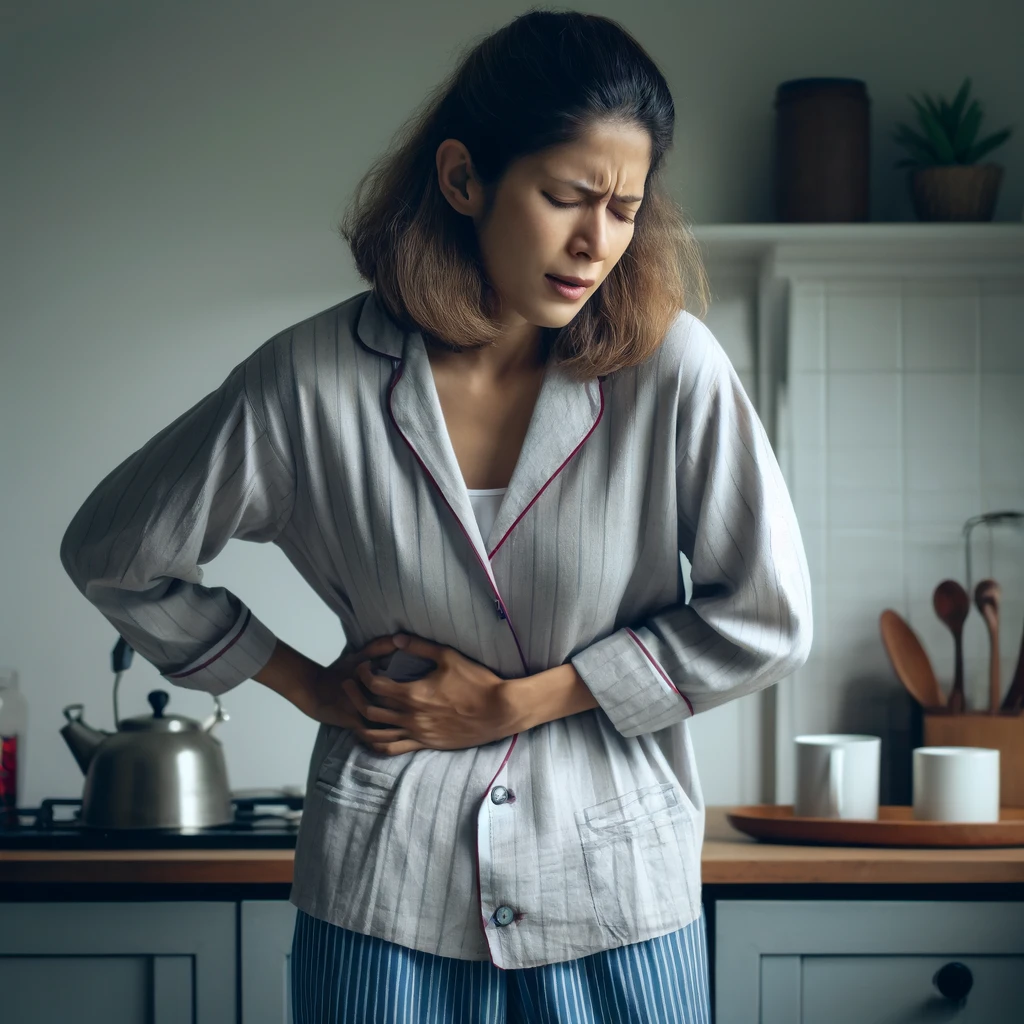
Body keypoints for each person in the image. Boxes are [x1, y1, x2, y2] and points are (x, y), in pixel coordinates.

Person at [60, 8, 812, 1022]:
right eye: (565, 197)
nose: (598, 241)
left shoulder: (671, 367)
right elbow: (115, 553)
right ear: (463, 179)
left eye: (626, 208)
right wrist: (306, 684)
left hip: (616, 888)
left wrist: (521, 702)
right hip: (384, 889)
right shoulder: (309, 379)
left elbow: (766, 618)